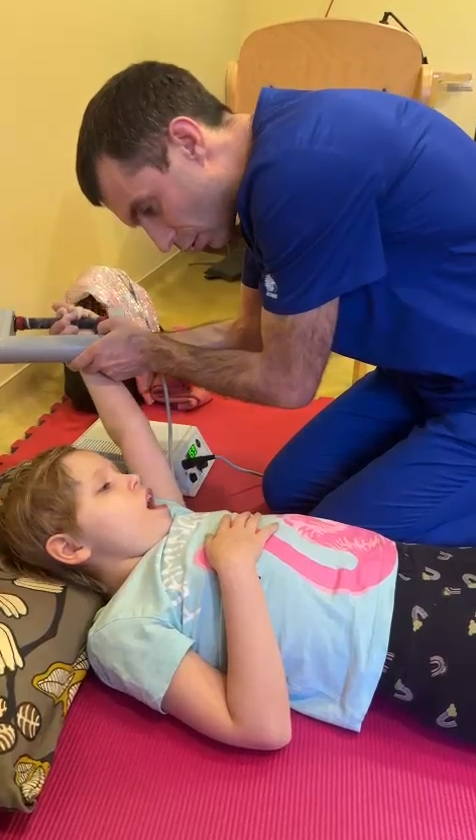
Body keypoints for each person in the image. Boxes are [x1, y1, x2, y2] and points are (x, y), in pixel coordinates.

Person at [2, 306, 476, 749]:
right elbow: (261, 727)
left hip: (411, 564)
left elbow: (129, 431)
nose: (129, 477)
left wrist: (86, 356)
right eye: (106, 487)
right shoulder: (125, 627)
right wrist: (235, 570)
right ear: (69, 548)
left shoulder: (170, 520)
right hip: (409, 641)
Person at [59, 60, 476, 546]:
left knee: (327, 542)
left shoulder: (301, 173)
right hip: (424, 376)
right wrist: (146, 344)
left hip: (464, 386)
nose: (161, 240)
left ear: (188, 141)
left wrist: (153, 353)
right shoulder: (268, 156)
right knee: (288, 490)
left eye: (150, 208)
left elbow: (288, 383)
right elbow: (249, 332)